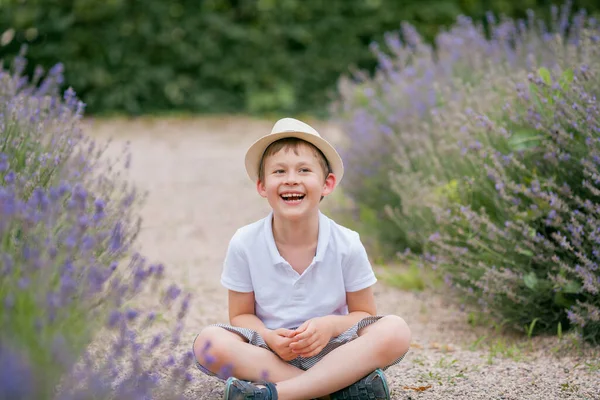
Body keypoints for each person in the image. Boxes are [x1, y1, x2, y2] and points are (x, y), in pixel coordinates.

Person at [192, 118, 411, 400]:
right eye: (279, 171)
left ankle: (274, 395)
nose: (291, 179)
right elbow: (241, 315)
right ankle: (335, 392)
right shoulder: (245, 242)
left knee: (395, 330)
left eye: (304, 170)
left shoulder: (347, 243)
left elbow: (365, 314)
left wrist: (329, 325)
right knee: (208, 342)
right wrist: (269, 337)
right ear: (262, 185)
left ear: (327, 184)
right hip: (270, 354)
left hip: (334, 351)